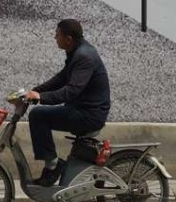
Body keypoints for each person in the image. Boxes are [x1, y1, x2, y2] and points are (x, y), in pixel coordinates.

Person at [22, 19, 110, 187]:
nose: (55, 38)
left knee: (38, 115)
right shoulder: (78, 52)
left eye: (57, 35)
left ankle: (53, 166)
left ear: (68, 39)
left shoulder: (84, 56)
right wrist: (35, 91)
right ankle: (53, 165)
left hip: (89, 115)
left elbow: (71, 91)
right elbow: (61, 78)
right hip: (82, 109)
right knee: (40, 114)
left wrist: (40, 98)